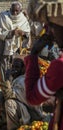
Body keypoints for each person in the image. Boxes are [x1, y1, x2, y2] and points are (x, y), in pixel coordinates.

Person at [24, 0, 63, 130]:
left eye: (51, 26)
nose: (49, 32)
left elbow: (31, 96)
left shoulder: (59, 67)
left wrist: (33, 54)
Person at [0, 57, 45, 130]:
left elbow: (9, 95)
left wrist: (6, 80)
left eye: (17, 67)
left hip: (33, 114)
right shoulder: (19, 79)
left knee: (9, 103)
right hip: (25, 109)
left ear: (23, 69)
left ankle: (13, 128)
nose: (14, 69)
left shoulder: (22, 81)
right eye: (13, 67)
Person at [0, 1, 30, 81]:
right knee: (4, 67)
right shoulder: (3, 17)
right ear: (10, 9)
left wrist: (22, 33)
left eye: (17, 11)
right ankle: (5, 86)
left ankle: (14, 85)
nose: (14, 12)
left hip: (16, 49)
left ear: (20, 10)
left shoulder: (23, 19)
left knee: (15, 68)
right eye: (13, 10)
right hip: (4, 49)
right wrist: (12, 32)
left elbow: (27, 34)